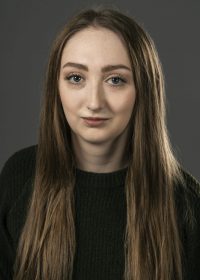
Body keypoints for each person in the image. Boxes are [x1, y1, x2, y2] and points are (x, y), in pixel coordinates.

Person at [0, 6, 200, 280]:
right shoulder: (18, 178)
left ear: (144, 89)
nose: (94, 102)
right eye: (76, 78)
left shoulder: (188, 203)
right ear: (55, 87)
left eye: (115, 80)